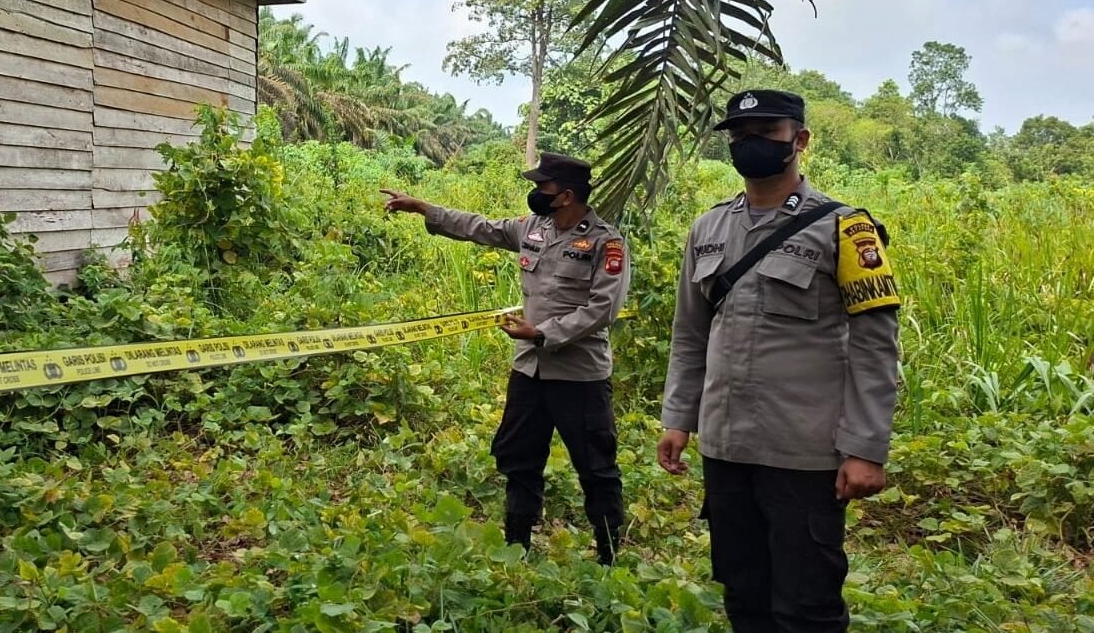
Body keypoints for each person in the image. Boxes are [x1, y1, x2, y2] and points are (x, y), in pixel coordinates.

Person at [657, 89, 902, 632]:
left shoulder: (846, 228)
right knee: (743, 593)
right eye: (741, 136)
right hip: (726, 447)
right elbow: (690, 332)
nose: (752, 145)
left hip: (803, 453)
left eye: (767, 133)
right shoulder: (708, 228)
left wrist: (865, 449)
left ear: (800, 139)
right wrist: (679, 417)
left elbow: (875, 345)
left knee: (806, 607)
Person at [382, 153, 631, 563]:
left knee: (596, 467)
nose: (535, 194)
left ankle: (608, 555)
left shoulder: (607, 242)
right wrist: (423, 207)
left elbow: (603, 308)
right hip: (529, 371)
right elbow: (481, 227)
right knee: (519, 459)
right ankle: (517, 546)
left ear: (566, 195)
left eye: (543, 187)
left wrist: (543, 333)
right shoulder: (534, 227)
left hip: (579, 376)